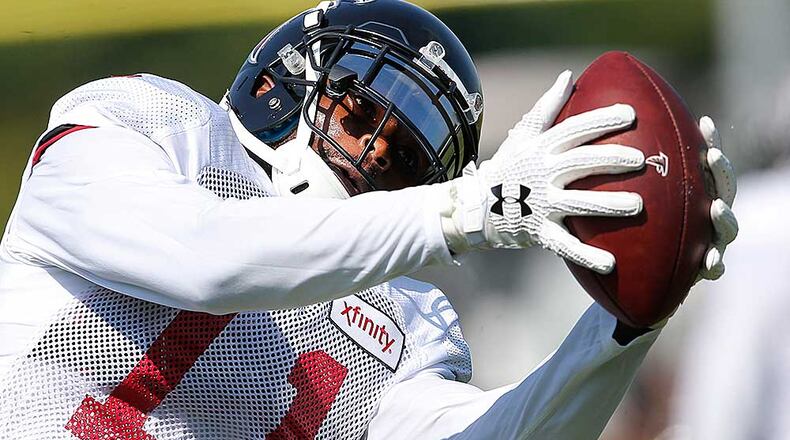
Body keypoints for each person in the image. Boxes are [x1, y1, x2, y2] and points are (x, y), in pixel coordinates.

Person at [0, 1, 737, 438]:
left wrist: (628, 318)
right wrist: (468, 211)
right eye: (360, 115)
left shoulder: (403, 320)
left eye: (408, 159)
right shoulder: (146, 126)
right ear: (279, 82)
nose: (379, 149)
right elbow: (209, 260)